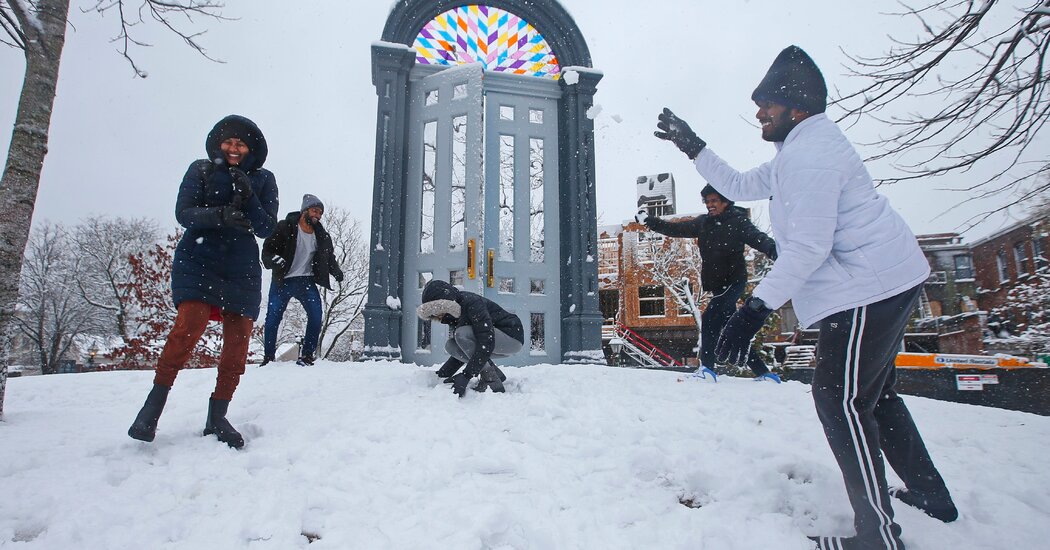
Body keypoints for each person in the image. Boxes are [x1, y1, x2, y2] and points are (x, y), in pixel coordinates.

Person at [655, 46, 957, 549]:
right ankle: (930, 495)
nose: (758, 113)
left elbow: (809, 249)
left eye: (766, 104)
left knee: (839, 403)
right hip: (883, 281)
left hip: (868, 288)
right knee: (874, 397)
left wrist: (753, 311)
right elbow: (738, 183)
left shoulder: (811, 157)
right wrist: (694, 146)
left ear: (796, 108)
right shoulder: (795, 153)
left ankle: (877, 537)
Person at [128, 114, 279, 449]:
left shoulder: (265, 178)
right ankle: (152, 407)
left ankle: (218, 415)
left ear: (251, 147)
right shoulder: (201, 170)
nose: (234, 148)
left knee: (238, 342)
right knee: (188, 327)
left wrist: (248, 193)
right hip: (199, 256)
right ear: (218, 142)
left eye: (240, 143)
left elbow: (267, 227)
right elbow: (184, 213)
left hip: (241, 263)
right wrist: (219, 216)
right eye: (228, 141)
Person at [634, 184, 778, 382]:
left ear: (725, 201)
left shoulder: (738, 222)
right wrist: (649, 221)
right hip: (717, 286)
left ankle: (707, 370)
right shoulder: (704, 223)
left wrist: (778, 252)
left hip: (734, 282)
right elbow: (675, 228)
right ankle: (764, 373)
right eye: (707, 201)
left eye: (714, 201)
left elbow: (758, 239)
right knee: (732, 331)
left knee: (709, 320)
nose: (710, 205)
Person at [259, 194, 344, 366]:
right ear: (304, 211)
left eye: (320, 213)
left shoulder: (322, 236)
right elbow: (267, 250)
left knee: (316, 315)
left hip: (306, 281)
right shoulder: (285, 227)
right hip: (283, 280)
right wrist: (274, 260)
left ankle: (307, 355)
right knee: (273, 318)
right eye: (314, 211)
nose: (318, 215)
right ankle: (268, 358)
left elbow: (329, 257)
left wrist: (336, 271)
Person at [416, 280, 524, 397]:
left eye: (437, 310)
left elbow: (486, 341)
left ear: (446, 304)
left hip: (511, 336)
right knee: (451, 345)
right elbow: (464, 348)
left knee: (461, 334)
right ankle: (495, 373)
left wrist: (466, 375)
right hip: (493, 340)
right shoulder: (454, 314)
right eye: (433, 313)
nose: (437, 315)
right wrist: (443, 374)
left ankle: (491, 379)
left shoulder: (471, 303)